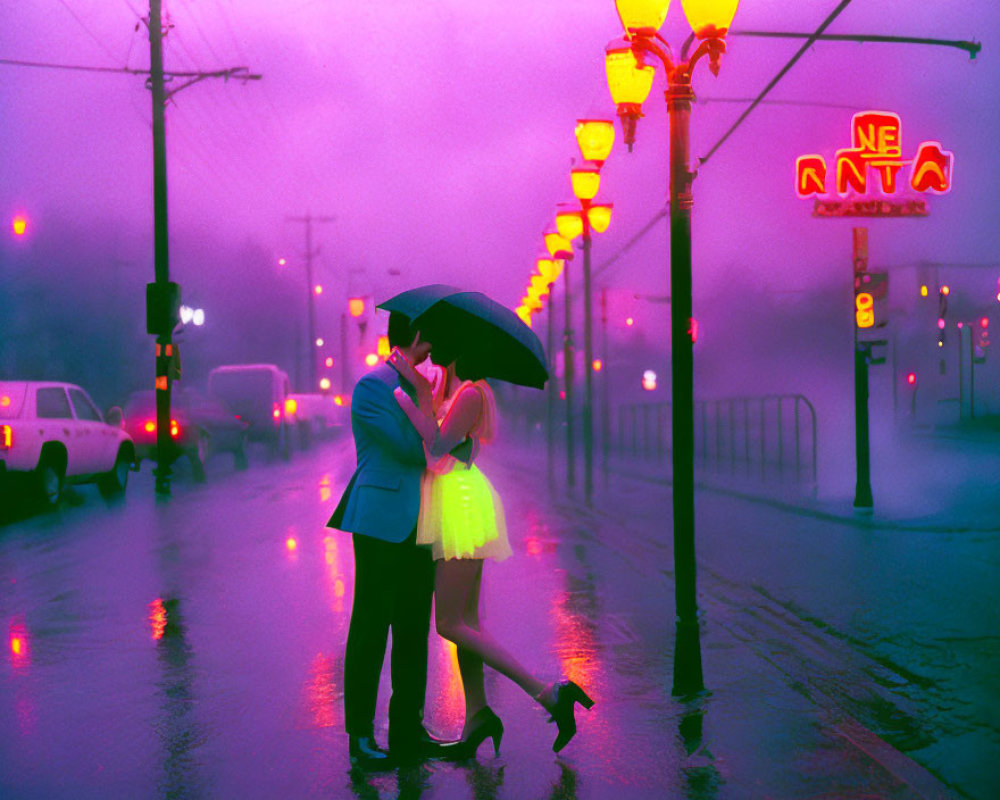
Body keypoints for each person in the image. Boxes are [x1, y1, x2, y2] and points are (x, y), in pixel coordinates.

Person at [389, 339, 594, 758]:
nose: (432, 351)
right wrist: (424, 392)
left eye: (440, 342)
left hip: (460, 505)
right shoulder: (459, 390)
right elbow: (441, 443)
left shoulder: (471, 393)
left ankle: (548, 692)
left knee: (448, 623)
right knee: (466, 620)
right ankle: (478, 713)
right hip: (454, 499)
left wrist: (407, 396)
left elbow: (437, 443)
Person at [327, 311, 470, 769]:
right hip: (380, 521)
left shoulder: (422, 388)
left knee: (412, 626)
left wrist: (439, 412)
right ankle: (361, 736)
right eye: (433, 338)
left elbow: (443, 446)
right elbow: (419, 450)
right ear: (419, 336)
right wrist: (434, 410)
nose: (436, 351)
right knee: (371, 626)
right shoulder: (374, 387)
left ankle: (408, 728)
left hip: (420, 523)